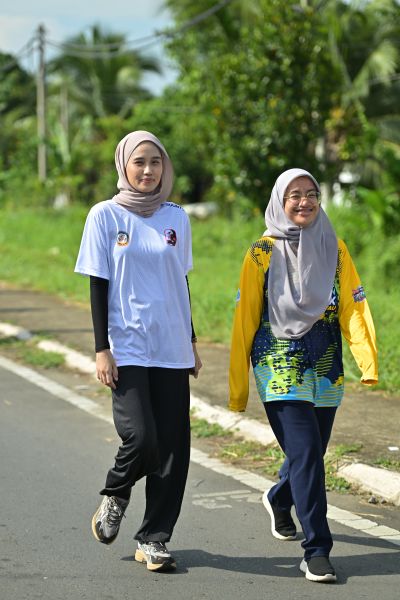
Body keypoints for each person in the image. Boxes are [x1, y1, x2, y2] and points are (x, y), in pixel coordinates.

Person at [229, 168, 378, 583]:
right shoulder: (260, 253)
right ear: (280, 201)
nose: (304, 202)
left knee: (310, 453)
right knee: (307, 452)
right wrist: (238, 386)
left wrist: (366, 359)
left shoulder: (336, 248)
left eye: (311, 194)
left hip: (325, 364)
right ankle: (317, 550)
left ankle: (281, 497)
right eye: (294, 195)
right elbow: (244, 319)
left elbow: (352, 307)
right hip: (278, 362)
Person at [75, 130, 202, 572]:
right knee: (142, 437)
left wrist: (191, 341)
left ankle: (154, 539)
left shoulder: (176, 217)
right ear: (124, 165)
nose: (148, 171)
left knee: (174, 449)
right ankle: (116, 493)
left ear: (165, 167)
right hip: (126, 345)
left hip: (171, 344)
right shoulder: (104, 215)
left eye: (156, 162)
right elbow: (98, 284)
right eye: (139, 162)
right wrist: (101, 349)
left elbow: (181, 281)